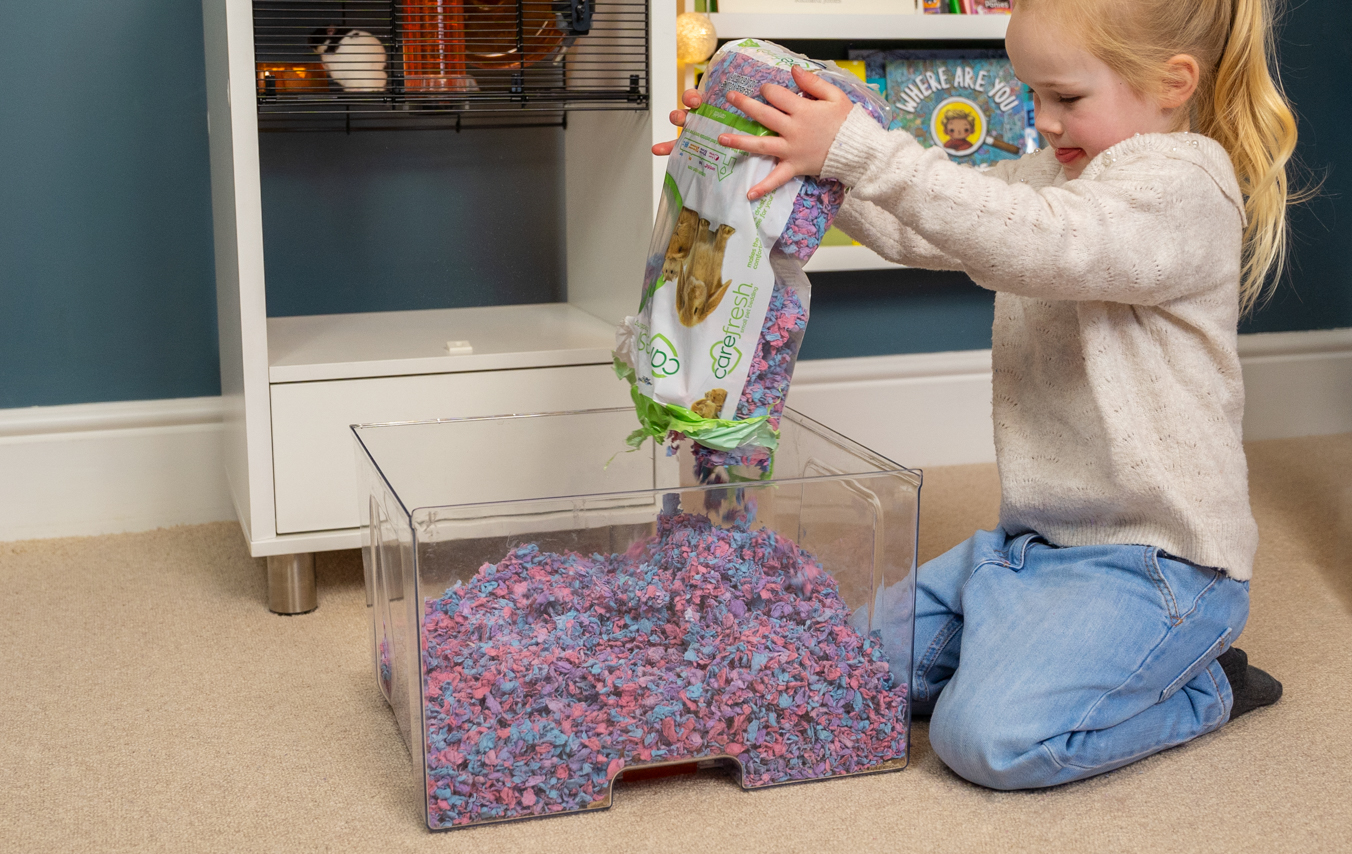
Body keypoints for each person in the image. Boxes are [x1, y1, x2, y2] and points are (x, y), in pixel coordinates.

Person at [654, 0, 1295, 790]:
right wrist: (782, 162)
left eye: (1066, 97)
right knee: (826, 664)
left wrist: (861, 151)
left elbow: (1039, 240)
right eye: (1033, 96)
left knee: (986, 740)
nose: (1045, 122)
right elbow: (933, 226)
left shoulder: (1185, 183)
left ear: (1172, 83)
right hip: (1029, 550)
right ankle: (1025, 633)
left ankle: (1203, 689)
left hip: (1156, 565)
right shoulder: (1056, 172)